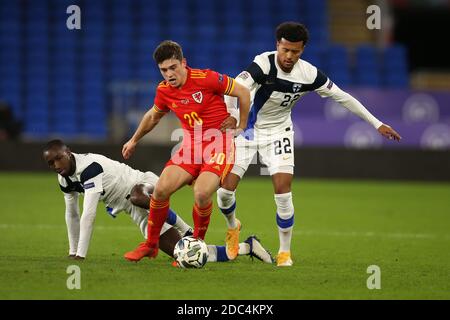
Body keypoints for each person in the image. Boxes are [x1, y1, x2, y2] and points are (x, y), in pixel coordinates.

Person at [217, 22, 402, 267]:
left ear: (302, 50)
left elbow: (343, 98)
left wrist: (377, 124)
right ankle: (233, 226)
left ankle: (284, 253)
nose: (289, 56)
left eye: (295, 51)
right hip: (248, 130)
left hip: (279, 133)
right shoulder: (263, 64)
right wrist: (232, 114)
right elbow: (234, 89)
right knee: (224, 193)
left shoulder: (309, 74)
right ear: (277, 46)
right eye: (285, 50)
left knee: (283, 190)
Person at [43, 139, 274, 264]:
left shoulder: (88, 168)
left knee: (138, 197)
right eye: (51, 164)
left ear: (69, 153)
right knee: (183, 253)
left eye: (58, 159)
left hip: (144, 183)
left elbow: (88, 213)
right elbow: (71, 214)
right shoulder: (65, 180)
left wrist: (80, 255)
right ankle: (247, 247)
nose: (56, 166)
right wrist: (72, 250)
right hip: (135, 212)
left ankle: (187, 228)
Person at [122, 40, 251, 262]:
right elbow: (153, 116)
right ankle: (151, 245)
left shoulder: (206, 78)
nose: (169, 74)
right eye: (164, 70)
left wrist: (241, 124)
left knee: (201, 193)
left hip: (218, 143)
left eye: (173, 67)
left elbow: (243, 92)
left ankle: (196, 245)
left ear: (183, 63)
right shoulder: (164, 91)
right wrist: (134, 140)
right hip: (191, 146)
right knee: (161, 189)